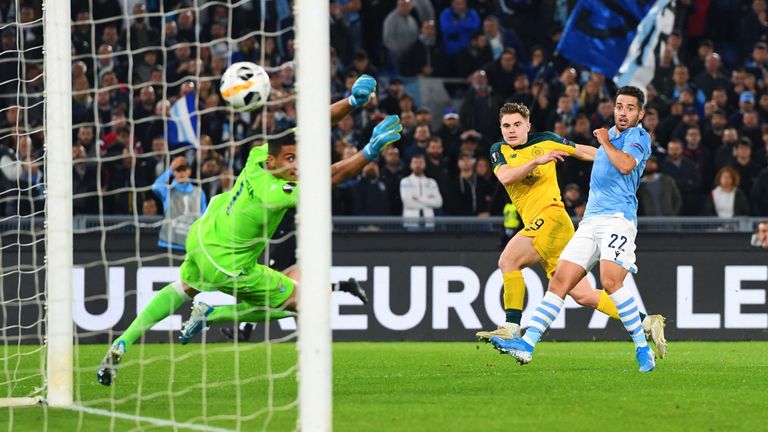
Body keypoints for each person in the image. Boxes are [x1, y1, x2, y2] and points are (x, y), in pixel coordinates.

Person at [97, 78, 385, 386]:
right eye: (291, 160)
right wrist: (368, 151)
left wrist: (352, 102)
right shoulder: (276, 192)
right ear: (276, 161)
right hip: (229, 265)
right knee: (309, 304)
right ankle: (214, 314)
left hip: (205, 237)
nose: (297, 165)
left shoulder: (258, 155)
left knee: (182, 287)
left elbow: (314, 126)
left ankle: (123, 342)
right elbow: (333, 175)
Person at [490, 86, 662, 372]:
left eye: (517, 124)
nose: (511, 130)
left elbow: (613, 160)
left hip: (592, 218)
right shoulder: (500, 151)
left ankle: (512, 327)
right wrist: (604, 145)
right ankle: (645, 321)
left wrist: (604, 145)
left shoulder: (636, 137)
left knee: (510, 260)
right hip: (589, 221)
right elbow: (506, 177)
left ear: (528, 126)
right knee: (573, 290)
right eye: (619, 106)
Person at [152, 155, 207, 251]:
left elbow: (204, 217)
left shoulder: (199, 192)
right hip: (169, 245)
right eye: (177, 170)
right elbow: (155, 186)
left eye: (184, 170)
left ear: (189, 171)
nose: (181, 173)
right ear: (173, 173)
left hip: (191, 246)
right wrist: (170, 168)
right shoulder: (168, 191)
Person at [400, 153, 443, 230]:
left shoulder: (432, 182)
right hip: (411, 223)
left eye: (420, 163)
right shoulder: (405, 181)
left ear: (425, 165)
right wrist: (429, 201)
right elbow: (408, 203)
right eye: (415, 162)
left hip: (429, 223)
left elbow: (438, 203)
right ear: (411, 165)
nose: (418, 165)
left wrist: (418, 199)